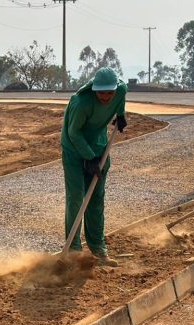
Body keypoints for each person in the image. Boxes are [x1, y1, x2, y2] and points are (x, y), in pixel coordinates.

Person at [60, 67, 127, 267]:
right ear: (94, 89)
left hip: (98, 147)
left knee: (96, 197)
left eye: (109, 92)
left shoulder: (121, 90)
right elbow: (74, 133)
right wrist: (88, 158)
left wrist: (121, 115)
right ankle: (73, 252)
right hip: (74, 151)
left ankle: (98, 249)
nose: (106, 97)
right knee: (76, 198)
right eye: (101, 92)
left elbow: (121, 99)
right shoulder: (81, 102)